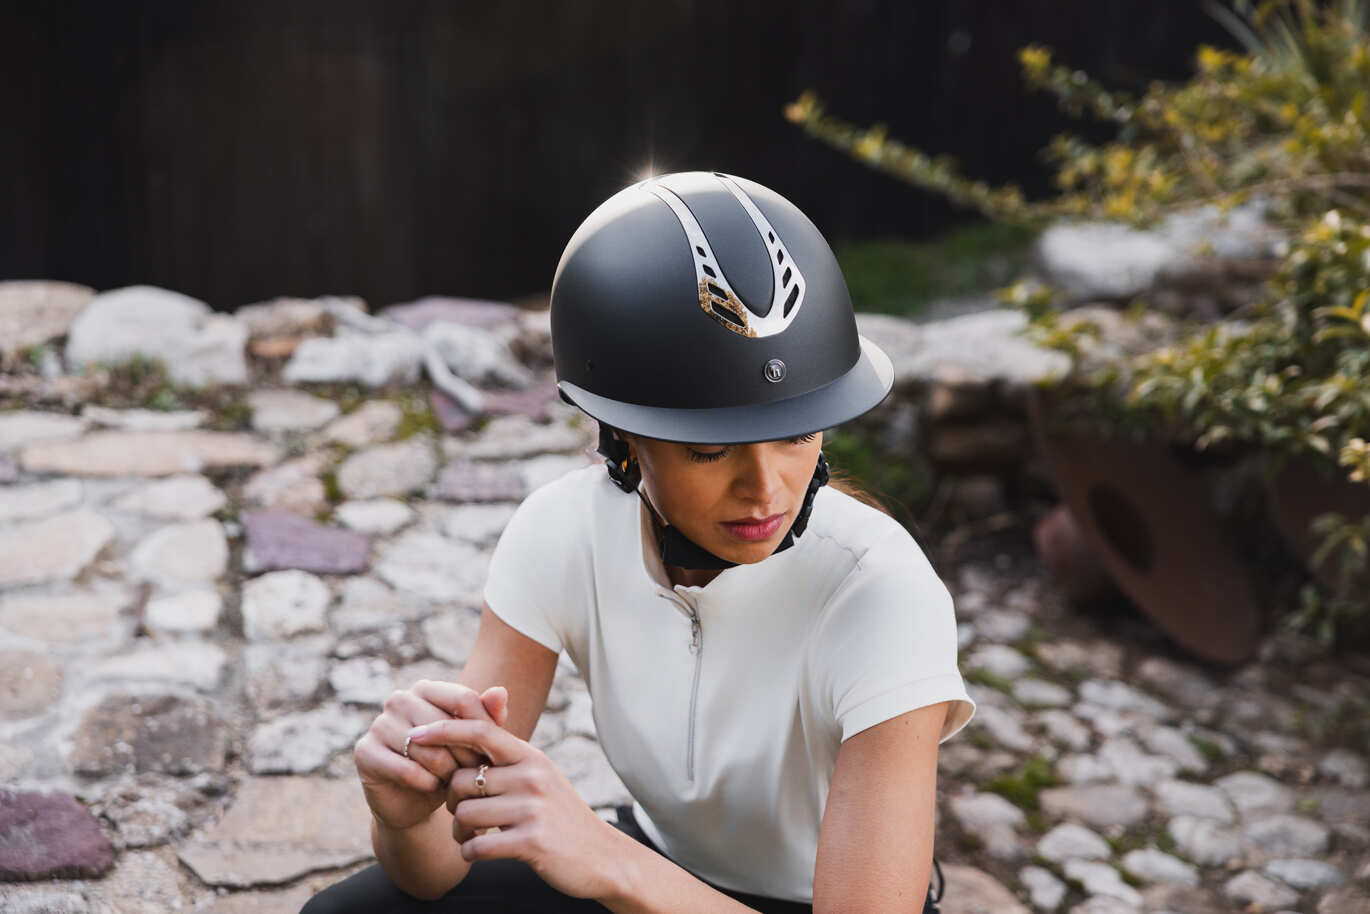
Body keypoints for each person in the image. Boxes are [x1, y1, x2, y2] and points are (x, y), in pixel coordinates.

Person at [302, 172, 975, 913]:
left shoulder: (884, 595)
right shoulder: (564, 533)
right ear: (622, 435)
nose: (766, 489)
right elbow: (434, 873)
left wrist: (609, 862)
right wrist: (403, 816)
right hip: (657, 867)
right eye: (712, 450)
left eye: (796, 432)